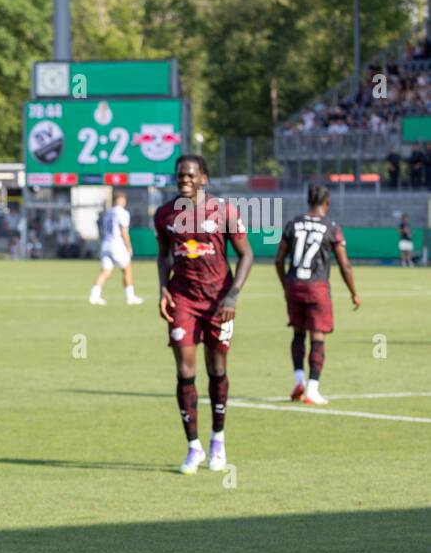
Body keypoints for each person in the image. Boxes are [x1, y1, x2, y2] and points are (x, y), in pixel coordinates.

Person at [154, 154, 254, 475]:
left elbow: (247, 254)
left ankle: (218, 440)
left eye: (190, 175)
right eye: (180, 175)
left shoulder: (223, 211)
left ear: (204, 179)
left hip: (218, 302)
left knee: (217, 369)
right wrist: (163, 289)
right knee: (185, 371)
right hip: (183, 299)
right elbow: (163, 257)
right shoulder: (165, 214)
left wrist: (232, 296)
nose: (184, 179)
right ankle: (193, 447)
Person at [275, 186, 360, 405]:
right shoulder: (331, 227)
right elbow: (345, 265)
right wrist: (353, 292)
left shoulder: (293, 223)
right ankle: (312, 389)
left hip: (294, 284)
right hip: (317, 287)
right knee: (317, 337)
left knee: (297, 334)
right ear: (327, 202)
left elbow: (278, 259)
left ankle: (298, 381)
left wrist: (286, 284)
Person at [89, 192, 144, 306]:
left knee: (105, 271)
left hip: (106, 243)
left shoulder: (108, 213)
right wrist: (129, 246)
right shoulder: (122, 213)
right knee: (127, 269)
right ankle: (130, 297)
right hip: (117, 244)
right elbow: (124, 231)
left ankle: (94, 296)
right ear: (119, 200)